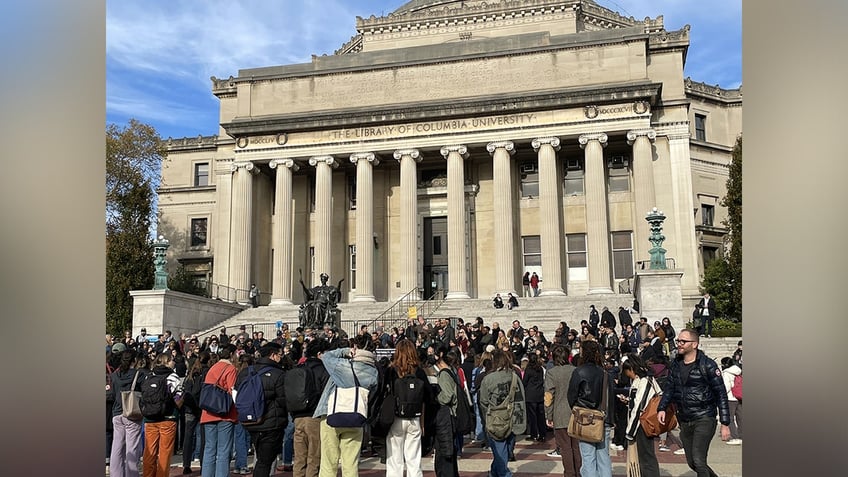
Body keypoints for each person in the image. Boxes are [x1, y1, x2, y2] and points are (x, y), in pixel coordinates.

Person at [657, 329, 731, 477]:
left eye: (683, 341)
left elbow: (721, 394)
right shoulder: (675, 365)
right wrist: (662, 407)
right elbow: (669, 388)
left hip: (704, 418)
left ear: (695, 344)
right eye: (678, 341)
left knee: (698, 460)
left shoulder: (708, 365)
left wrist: (725, 423)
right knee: (692, 462)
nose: (679, 344)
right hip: (684, 419)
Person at [315, 333, 379, 477]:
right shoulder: (373, 373)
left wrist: (344, 351)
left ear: (355, 346)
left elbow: (326, 356)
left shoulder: (342, 365)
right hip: (356, 414)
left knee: (328, 462)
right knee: (350, 463)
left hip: (332, 413)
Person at [236, 342, 288, 477]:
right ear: (273, 355)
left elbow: (236, 393)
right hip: (271, 423)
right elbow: (283, 400)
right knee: (265, 462)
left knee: (261, 458)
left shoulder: (246, 372)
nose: (281, 358)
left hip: (250, 420)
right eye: (279, 355)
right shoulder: (279, 374)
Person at [567, 340, 615, 477]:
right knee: (603, 457)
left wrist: (577, 409)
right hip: (603, 418)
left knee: (588, 458)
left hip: (585, 417)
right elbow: (610, 397)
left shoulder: (579, 371)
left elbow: (571, 395)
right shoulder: (605, 373)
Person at [478, 348, 527, 477]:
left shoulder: (488, 379)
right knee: (505, 450)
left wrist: (486, 416)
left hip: (496, 418)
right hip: (512, 417)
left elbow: (483, 401)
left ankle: (503, 474)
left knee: (500, 452)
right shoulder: (515, 377)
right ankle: (496, 473)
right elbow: (521, 399)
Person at [385, 339, 430, 477]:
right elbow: (427, 397)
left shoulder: (392, 371)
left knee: (394, 460)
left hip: (396, 417)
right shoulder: (419, 372)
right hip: (415, 417)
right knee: (414, 460)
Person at [291, 337, 330, 477]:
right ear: (320, 354)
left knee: (300, 457)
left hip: (297, 415)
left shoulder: (299, 368)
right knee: (315, 456)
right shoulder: (323, 370)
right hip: (315, 416)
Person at [200, 344, 239, 477]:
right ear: (232, 354)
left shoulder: (212, 368)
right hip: (225, 412)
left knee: (209, 449)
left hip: (208, 411)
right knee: (223, 451)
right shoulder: (231, 368)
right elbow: (232, 390)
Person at [142, 352, 184, 477]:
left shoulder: (149, 375)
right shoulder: (173, 376)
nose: (174, 362)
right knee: (164, 452)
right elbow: (178, 397)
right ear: (167, 361)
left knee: (149, 451)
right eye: (172, 360)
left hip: (150, 417)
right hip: (168, 417)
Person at [620, 354, 660, 477]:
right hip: (641, 422)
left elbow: (639, 407)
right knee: (643, 456)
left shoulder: (645, 381)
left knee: (646, 457)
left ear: (632, 369)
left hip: (643, 423)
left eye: (627, 372)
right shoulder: (641, 381)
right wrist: (628, 400)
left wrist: (630, 431)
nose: (627, 375)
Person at [544, 344, 581, 477]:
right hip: (576, 412)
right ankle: (579, 472)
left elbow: (548, 395)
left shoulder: (552, 373)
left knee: (565, 447)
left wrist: (548, 415)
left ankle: (569, 473)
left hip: (559, 412)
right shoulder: (575, 370)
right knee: (576, 446)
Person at [109, 348, 144, 477]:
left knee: (117, 447)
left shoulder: (114, 375)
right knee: (132, 448)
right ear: (134, 360)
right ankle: (132, 474)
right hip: (132, 413)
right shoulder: (138, 374)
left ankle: (116, 474)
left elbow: (112, 394)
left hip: (117, 413)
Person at [522, 353, 546, 442]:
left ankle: (534, 434)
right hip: (539, 393)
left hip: (531, 395)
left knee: (532, 416)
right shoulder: (540, 369)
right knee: (540, 415)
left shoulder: (529, 369)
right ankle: (542, 434)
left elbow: (524, 381)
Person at [720, 357, 743, 446]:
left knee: (730, 418)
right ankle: (742, 435)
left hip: (730, 398)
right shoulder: (738, 371)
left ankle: (735, 437)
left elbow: (726, 387)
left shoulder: (726, 373)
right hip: (739, 397)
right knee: (740, 417)